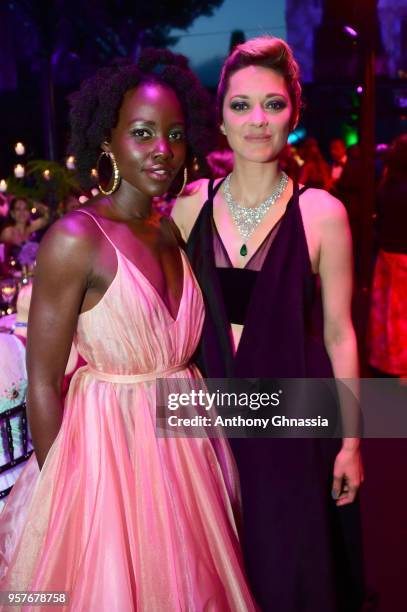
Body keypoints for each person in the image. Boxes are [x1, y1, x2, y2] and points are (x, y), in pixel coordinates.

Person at [0, 49, 255, 611]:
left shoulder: (169, 232)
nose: (162, 150)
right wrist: (66, 485)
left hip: (186, 448)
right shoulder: (75, 237)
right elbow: (43, 382)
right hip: (107, 456)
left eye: (175, 134)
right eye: (143, 133)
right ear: (108, 141)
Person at [172, 36, 364, 612]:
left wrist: (353, 443)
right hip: (207, 421)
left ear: (294, 115)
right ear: (222, 119)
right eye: (241, 105)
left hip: (294, 422)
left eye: (274, 104)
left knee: (288, 574)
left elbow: (339, 333)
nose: (258, 120)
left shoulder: (323, 214)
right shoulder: (189, 206)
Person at [368, 133, 407, 377]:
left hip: (387, 255)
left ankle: (387, 360)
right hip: (403, 256)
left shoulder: (385, 186)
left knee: (387, 314)